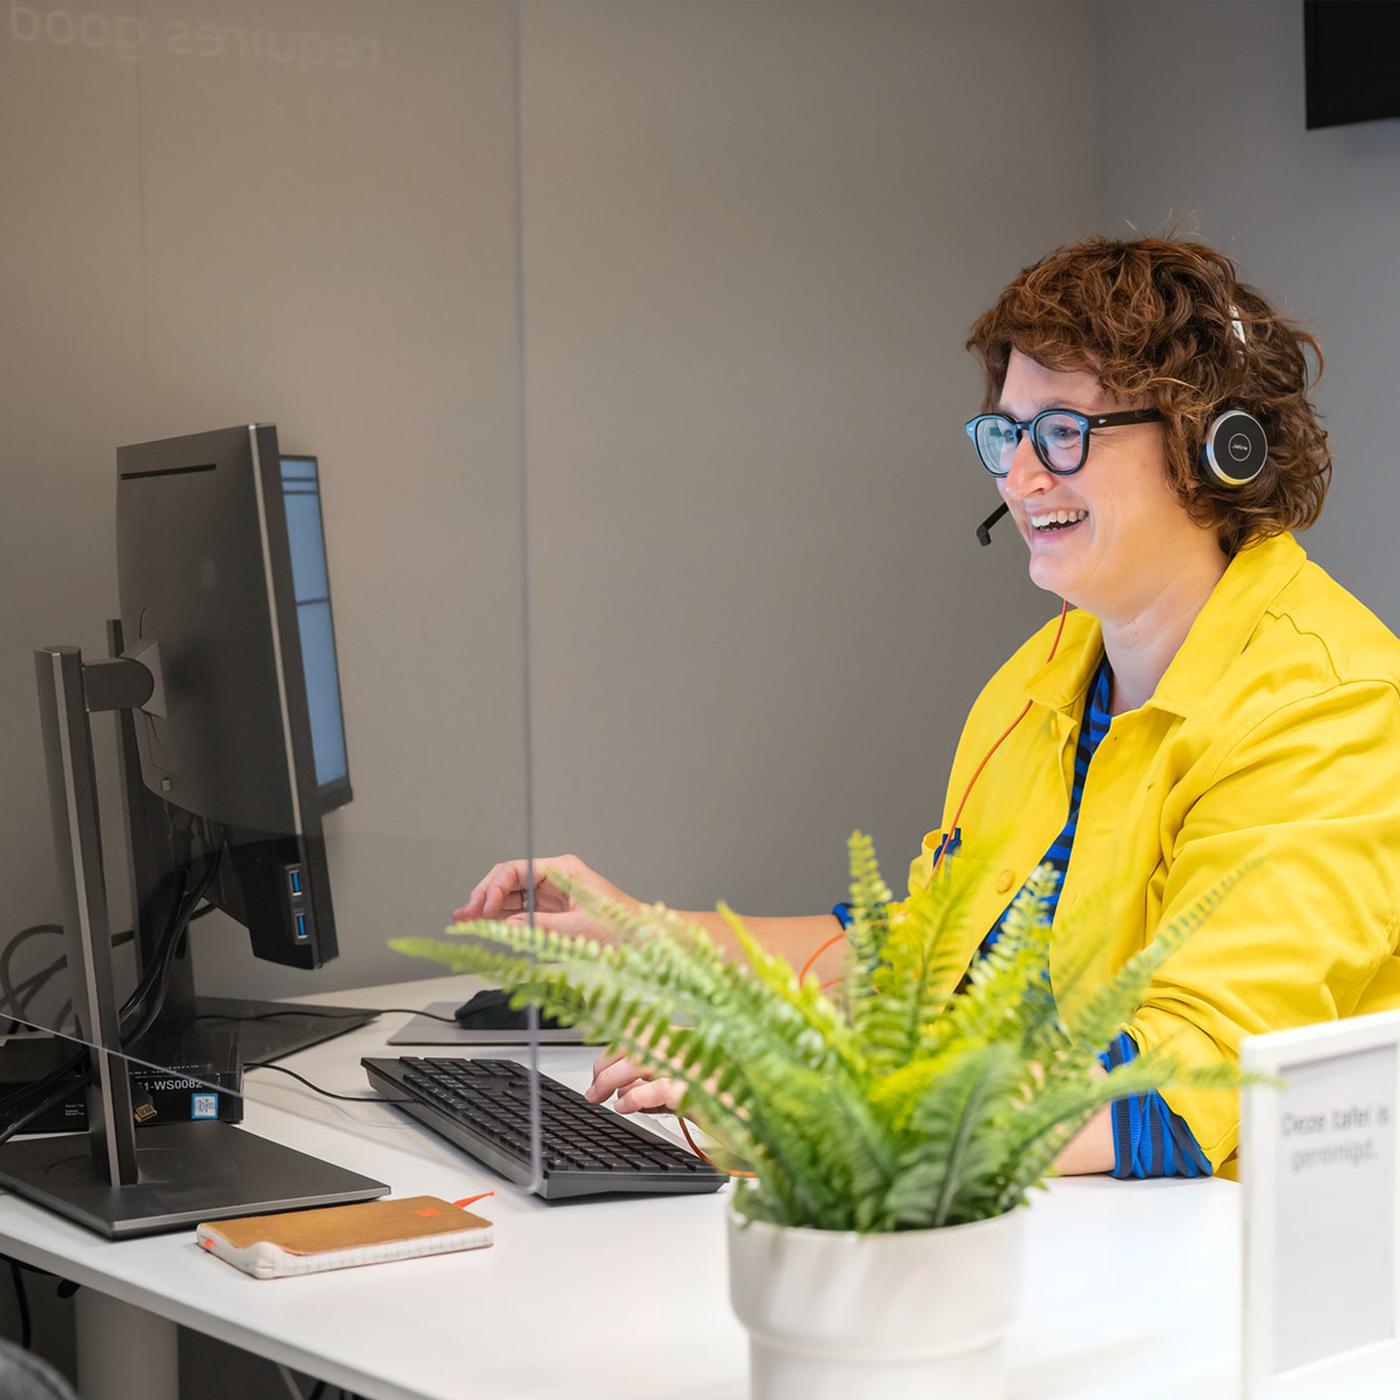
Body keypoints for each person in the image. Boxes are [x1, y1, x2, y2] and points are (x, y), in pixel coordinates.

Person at [457, 236, 1400, 1181]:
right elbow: (920, 959)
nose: (1021, 479)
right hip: (1047, 1226)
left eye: (1064, 432)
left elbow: (1184, 1085)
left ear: (1212, 446)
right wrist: (652, 939)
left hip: (1211, 1271)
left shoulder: (1331, 706)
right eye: (1006, 434)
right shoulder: (1047, 672)